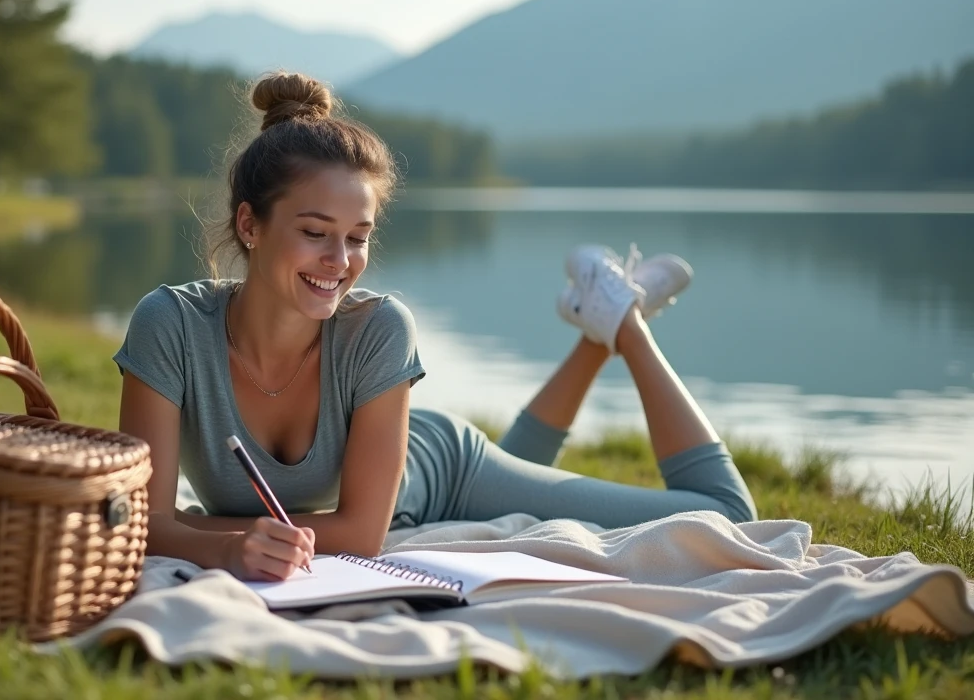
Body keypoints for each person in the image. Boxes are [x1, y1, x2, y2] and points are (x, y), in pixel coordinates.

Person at [115, 72, 757, 583]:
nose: (339, 264)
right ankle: (597, 330)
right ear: (250, 225)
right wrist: (230, 545)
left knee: (723, 516)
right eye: (315, 234)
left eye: (357, 238)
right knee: (526, 470)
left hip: (443, 468)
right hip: (405, 473)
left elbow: (363, 535)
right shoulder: (169, 327)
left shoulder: (380, 327)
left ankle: (623, 323)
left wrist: (212, 537)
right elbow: (146, 523)